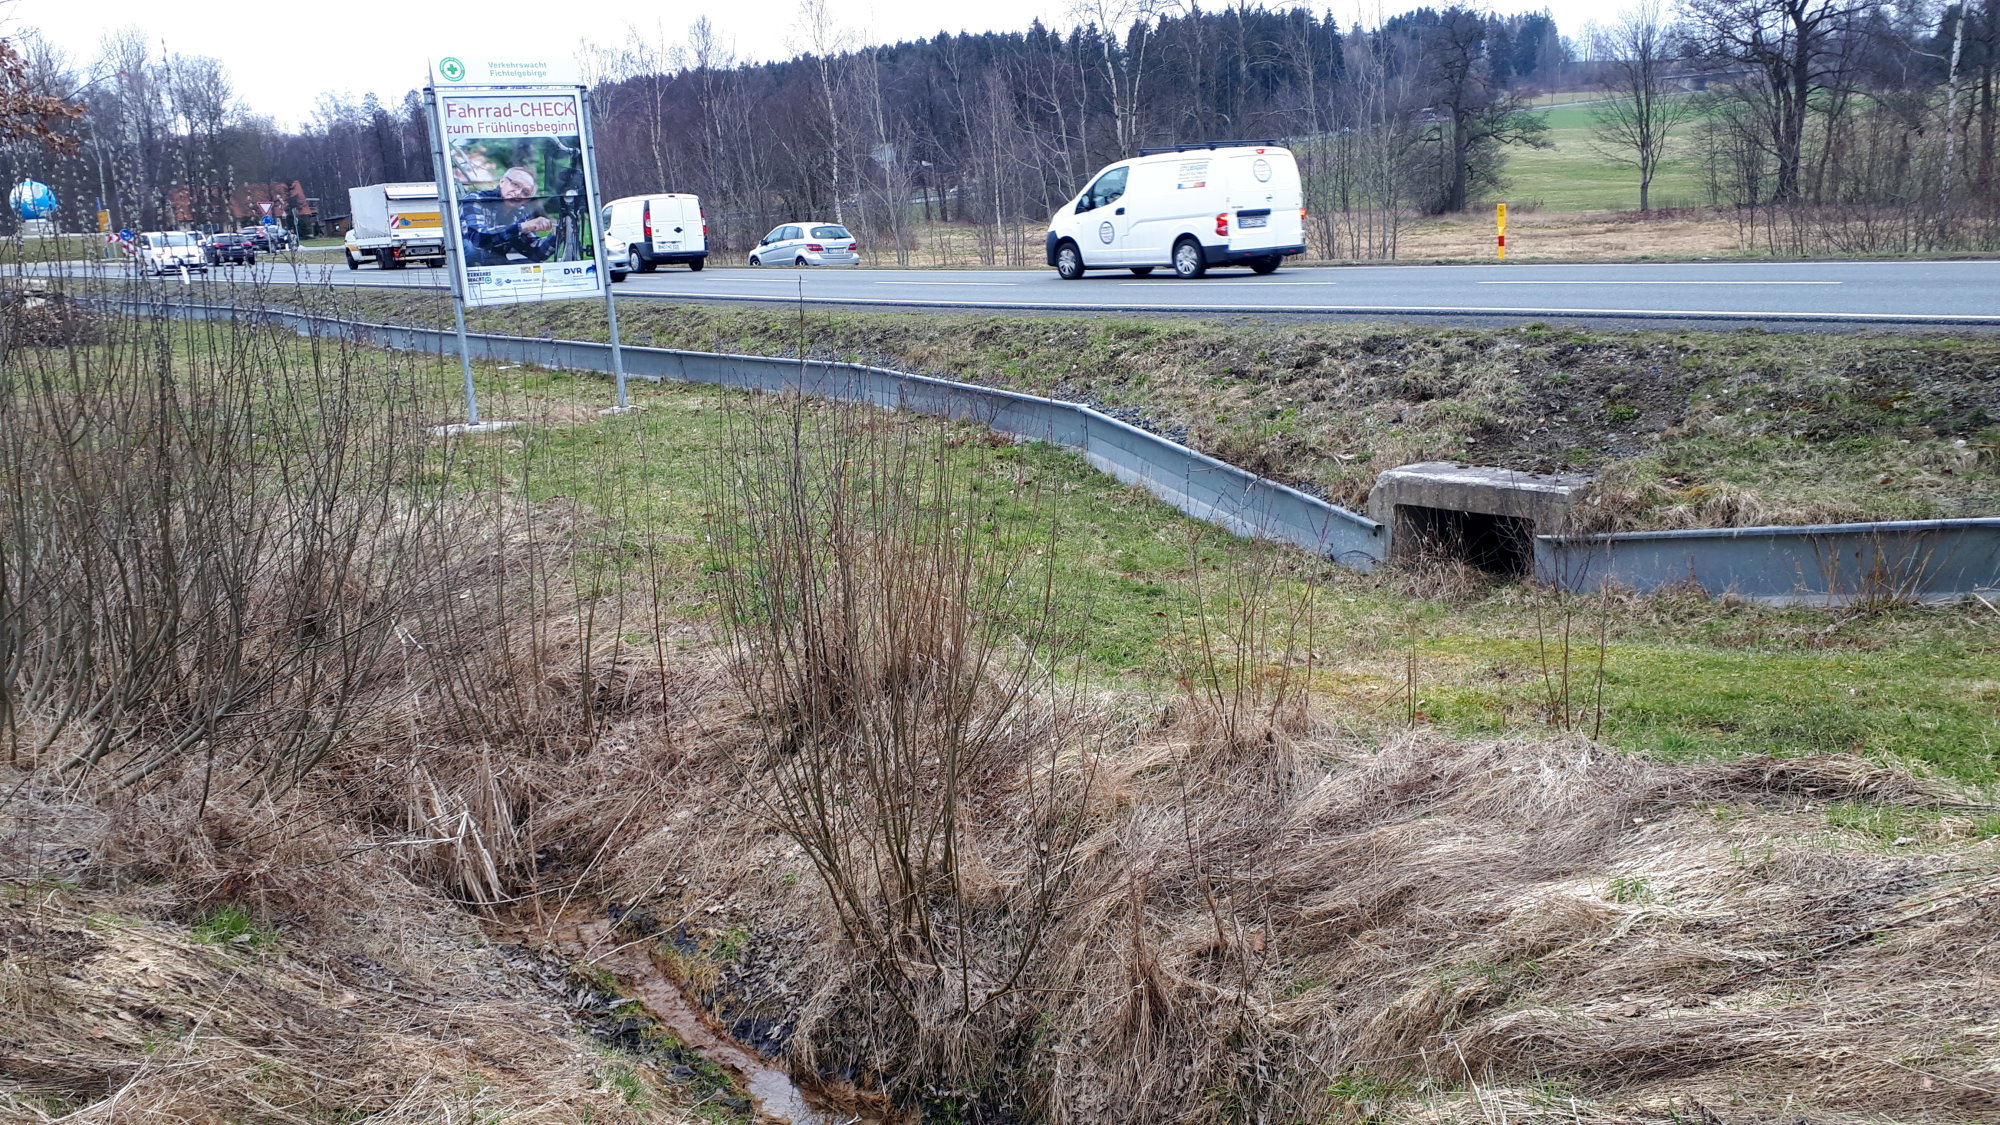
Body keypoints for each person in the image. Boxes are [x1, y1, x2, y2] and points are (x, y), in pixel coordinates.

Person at [458, 166, 553, 266]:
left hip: (496, 265)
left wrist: (557, 234)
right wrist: (521, 227)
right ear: (502, 182)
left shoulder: (520, 213)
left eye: (525, 192)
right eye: (516, 185)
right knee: (472, 249)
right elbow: (477, 240)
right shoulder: (476, 199)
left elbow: (536, 253)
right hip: (467, 267)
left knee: (533, 266)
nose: (518, 193)